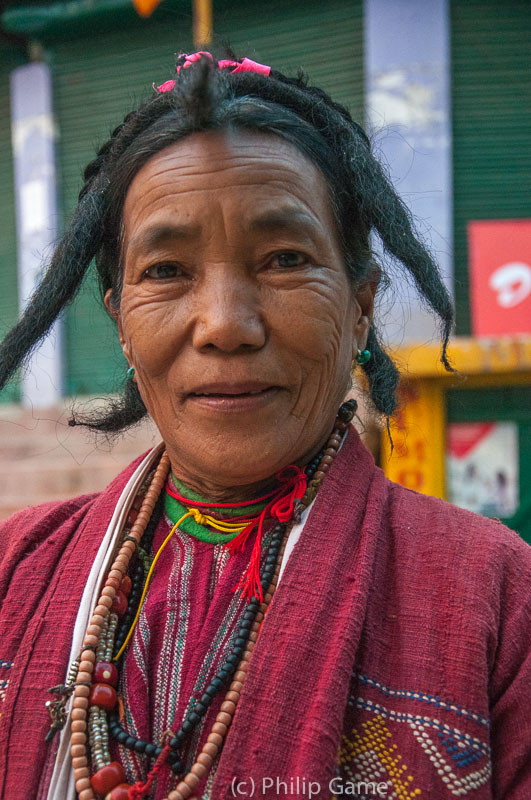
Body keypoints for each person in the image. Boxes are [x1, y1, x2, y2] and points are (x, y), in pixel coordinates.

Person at [0, 52, 529, 800]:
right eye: (165, 271)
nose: (224, 325)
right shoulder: (14, 574)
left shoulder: (497, 599)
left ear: (360, 307)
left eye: (285, 259)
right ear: (120, 322)